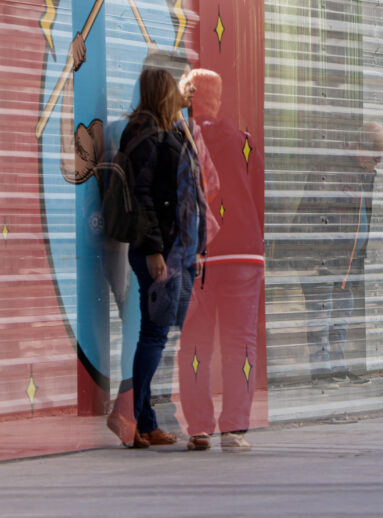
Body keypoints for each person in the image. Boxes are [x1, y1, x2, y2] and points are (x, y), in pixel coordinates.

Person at [108, 67, 207, 447]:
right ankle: (128, 415)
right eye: (176, 90)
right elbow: (145, 198)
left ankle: (146, 422)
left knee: (160, 332)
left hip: (175, 250)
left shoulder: (161, 130)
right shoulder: (149, 137)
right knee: (155, 334)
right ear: (164, 94)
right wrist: (153, 250)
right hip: (161, 251)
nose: (183, 96)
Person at [176, 68, 264, 452]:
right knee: (239, 343)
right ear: (219, 99)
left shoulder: (180, 140)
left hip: (198, 256)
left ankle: (199, 428)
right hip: (243, 253)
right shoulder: (244, 142)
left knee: (194, 344)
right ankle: (234, 430)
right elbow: (259, 199)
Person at [297, 122, 383, 387]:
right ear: (359, 146)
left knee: (341, 314)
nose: (379, 161)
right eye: (376, 154)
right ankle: (321, 372)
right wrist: (314, 259)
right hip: (322, 259)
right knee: (321, 312)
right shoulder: (331, 169)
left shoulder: (363, 173)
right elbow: (314, 215)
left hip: (347, 261)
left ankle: (338, 367)